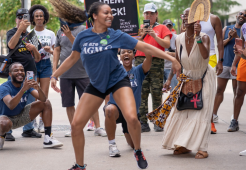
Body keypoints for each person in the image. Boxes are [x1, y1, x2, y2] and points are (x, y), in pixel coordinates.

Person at [49, 1, 180, 169]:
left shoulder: (115, 34)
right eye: (106, 13)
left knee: (132, 117)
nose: (110, 15)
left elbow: (146, 47)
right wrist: (54, 75)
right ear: (95, 16)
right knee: (75, 126)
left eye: (111, 12)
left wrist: (172, 59)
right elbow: (72, 58)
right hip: (97, 84)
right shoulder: (83, 36)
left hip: (117, 79)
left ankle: (138, 150)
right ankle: (79, 166)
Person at [162, 8, 215, 159]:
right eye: (183, 15)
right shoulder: (178, 38)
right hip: (187, 77)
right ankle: (183, 145)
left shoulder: (204, 37)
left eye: (188, 16)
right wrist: (169, 79)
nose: (184, 18)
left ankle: (202, 148)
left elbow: (205, 56)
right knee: (183, 111)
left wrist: (198, 37)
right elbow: (177, 62)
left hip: (204, 76)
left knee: (202, 112)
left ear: (196, 19)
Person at [53, 21, 107, 137]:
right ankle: (74, 128)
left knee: (90, 102)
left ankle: (98, 127)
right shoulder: (59, 31)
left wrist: (69, 35)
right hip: (65, 74)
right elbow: (57, 51)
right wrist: (54, 72)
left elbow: (82, 47)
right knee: (68, 103)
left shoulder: (84, 29)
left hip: (83, 72)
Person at [0, 63, 63, 150]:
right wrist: (23, 90)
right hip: (2, 118)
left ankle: (48, 138)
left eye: (22, 70)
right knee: (4, 123)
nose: (20, 72)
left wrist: (38, 88)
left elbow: (43, 100)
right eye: (16, 70)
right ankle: (1, 137)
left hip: (20, 116)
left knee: (46, 103)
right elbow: (11, 105)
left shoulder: (26, 85)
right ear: (10, 74)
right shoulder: (4, 87)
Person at [104, 49, 150, 157]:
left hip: (131, 113)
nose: (126, 54)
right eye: (123, 52)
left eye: (129, 52)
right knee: (109, 110)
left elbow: (149, 57)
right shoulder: (113, 72)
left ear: (134, 55)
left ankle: (130, 137)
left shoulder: (138, 70)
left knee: (134, 145)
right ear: (119, 56)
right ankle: (112, 145)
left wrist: (139, 42)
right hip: (116, 109)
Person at [135, 2, 172, 132]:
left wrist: (154, 35)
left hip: (157, 61)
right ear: (143, 14)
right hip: (140, 60)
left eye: (151, 13)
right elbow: (132, 44)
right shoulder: (139, 28)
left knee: (156, 92)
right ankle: (143, 123)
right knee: (142, 92)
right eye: (146, 13)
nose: (149, 15)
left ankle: (157, 121)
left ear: (156, 14)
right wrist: (141, 36)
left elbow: (166, 44)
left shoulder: (162, 27)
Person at [6, 8, 41, 141]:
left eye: (24, 17)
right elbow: (11, 45)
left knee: (31, 101)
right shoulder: (11, 32)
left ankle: (28, 129)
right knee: (13, 99)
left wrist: (34, 49)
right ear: (16, 19)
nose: (21, 19)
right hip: (16, 74)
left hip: (31, 72)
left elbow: (37, 58)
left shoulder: (32, 35)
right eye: (19, 17)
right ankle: (7, 130)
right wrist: (20, 30)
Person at [212, 11, 246, 132]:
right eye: (241, 14)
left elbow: (242, 46)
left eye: (245, 15)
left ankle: (234, 117)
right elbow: (220, 44)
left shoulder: (243, 30)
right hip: (226, 63)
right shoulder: (227, 28)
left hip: (238, 63)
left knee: (237, 91)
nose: (242, 16)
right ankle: (213, 115)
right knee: (219, 89)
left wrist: (237, 37)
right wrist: (230, 37)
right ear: (236, 15)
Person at [28, 5, 55, 133]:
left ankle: (42, 122)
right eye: (36, 16)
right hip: (33, 65)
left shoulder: (50, 33)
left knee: (43, 95)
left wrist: (51, 50)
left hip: (46, 64)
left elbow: (56, 52)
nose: (39, 18)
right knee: (33, 95)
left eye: (41, 16)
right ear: (33, 18)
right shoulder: (29, 34)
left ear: (44, 18)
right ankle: (32, 120)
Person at [199, 13, 224, 134]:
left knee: (208, 91)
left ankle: (210, 122)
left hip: (211, 56)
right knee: (196, 91)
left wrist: (220, 61)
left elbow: (220, 41)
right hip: (194, 56)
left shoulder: (214, 18)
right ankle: (197, 123)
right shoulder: (190, 16)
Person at [230, 21, 246, 133]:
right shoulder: (244, 26)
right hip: (244, 61)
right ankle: (234, 121)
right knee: (240, 92)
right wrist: (234, 64)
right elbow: (241, 45)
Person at [163, 19, 178, 91]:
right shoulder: (158, 37)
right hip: (160, 69)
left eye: (170, 26)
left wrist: (169, 53)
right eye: (166, 26)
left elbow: (181, 54)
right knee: (158, 94)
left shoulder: (177, 38)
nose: (168, 28)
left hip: (172, 69)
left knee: (174, 92)